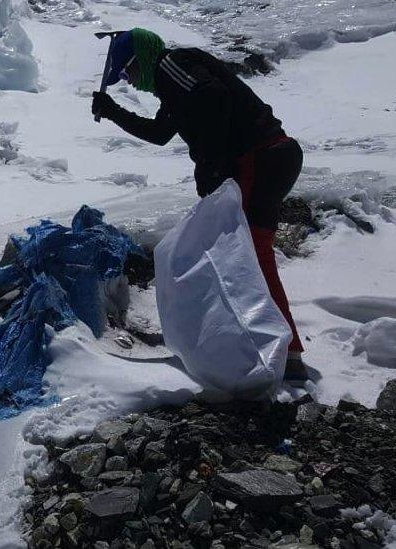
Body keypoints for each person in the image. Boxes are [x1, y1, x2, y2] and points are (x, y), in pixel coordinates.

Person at [91, 28, 309, 386]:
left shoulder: (171, 64)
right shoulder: (174, 87)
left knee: (251, 257)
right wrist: (113, 111)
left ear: (141, 58)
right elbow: (161, 133)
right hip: (271, 157)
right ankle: (277, 348)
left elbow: (214, 96)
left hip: (260, 157)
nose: (129, 81)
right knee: (249, 256)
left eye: (127, 72)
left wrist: (214, 165)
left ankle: (285, 352)